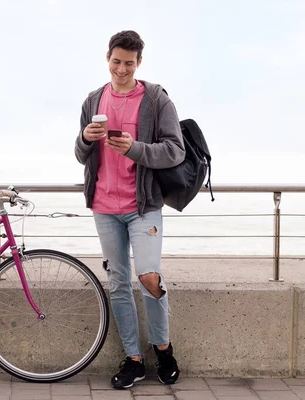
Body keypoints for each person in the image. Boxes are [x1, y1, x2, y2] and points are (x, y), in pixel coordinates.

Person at [74, 30, 184, 390]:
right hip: (104, 207)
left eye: (129, 63)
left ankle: (163, 351)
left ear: (140, 62)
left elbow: (175, 150)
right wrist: (85, 140)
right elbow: (80, 155)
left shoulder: (155, 99)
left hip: (143, 206)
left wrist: (135, 148)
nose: (122, 69)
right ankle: (134, 359)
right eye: (116, 61)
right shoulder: (93, 100)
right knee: (118, 281)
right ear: (107, 58)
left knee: (149, 277)